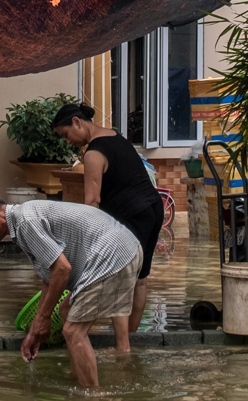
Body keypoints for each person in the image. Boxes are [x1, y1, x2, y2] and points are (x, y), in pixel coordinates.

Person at [0, 192, 141, 390]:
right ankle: (77, 375)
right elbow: (50, 279)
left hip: (114, 254)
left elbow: (62, 270)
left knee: (73, 331)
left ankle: (92, 397)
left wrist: (43, 318)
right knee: (66, 311)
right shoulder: (23, 218)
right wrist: (34, 331)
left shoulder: (25, 222)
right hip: (125, 247)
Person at [51, 102, 164, 353]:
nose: (68, 141)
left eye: (66, 134)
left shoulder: (93, 153)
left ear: (77, 122)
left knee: (120, 276)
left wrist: (84, 238)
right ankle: (131, 340)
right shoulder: (115, 135)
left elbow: (92, 201)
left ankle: (122, 347)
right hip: (154, 208)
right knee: (140, 278)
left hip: (132, 214)